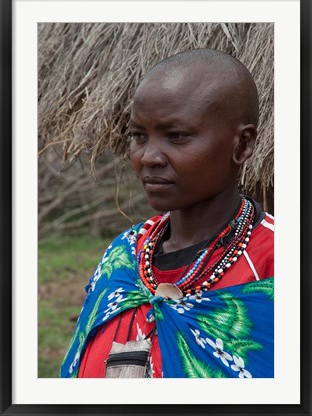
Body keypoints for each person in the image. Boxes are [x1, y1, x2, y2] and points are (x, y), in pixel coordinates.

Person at [60, 48, 274, 379]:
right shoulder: (124, 255)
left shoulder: (275, 263)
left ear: (243, 145)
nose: (148, 157)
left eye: (177, 136)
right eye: (138, 137)